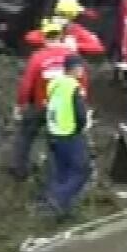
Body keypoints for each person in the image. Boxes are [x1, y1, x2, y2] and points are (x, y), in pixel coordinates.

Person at [10, 20, 74, 180]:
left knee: (25, 135)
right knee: (56, 141)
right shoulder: (72, 57)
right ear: (61, 37)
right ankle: (53, 177)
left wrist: (20, 104)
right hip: (62, 108)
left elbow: (26, 84)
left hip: (39, 104)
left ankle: (19, 170)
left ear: (45, 38)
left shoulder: (38, 58)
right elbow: (81, 82)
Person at [42, 56, 91, 217]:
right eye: (81, 68)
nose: (83, 71)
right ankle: (58, 197)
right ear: (75, 69)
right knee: (82, 171)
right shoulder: (73, 86)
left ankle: (61, 211)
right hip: (69, 133)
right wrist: (81, 127)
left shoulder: (54, 84)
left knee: (62, 172)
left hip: (53, 132)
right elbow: (80, 115)